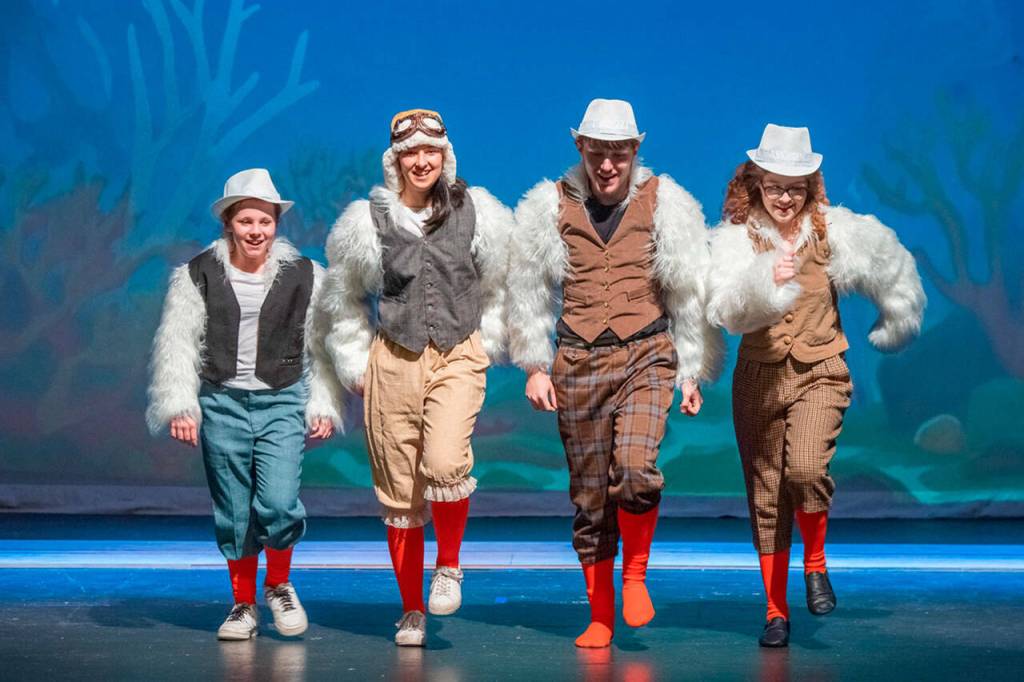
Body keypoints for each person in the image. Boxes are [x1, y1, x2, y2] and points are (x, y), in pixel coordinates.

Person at [508, 99, 722, 648]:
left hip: (645, 353)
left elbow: (687, 291)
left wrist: (691, 370)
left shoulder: (665, 203)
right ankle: (600, 616)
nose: (607, 165)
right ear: (580, 147)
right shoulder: (549, 205)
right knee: (590, 497)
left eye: (619, 154)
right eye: (598, 153)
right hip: (578, 360)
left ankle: (635, 576)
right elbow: (528, 290)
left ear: (635, 151)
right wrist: (534, 365)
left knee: (634, 468)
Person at [706, 124, 926, 647]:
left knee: (805, 469)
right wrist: (764, 281)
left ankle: (816, 563)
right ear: (756, 183)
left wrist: (895, 319)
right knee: (766, 494)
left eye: (796, 188)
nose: (785, 198)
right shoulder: (735, 239)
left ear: (811, 187)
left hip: (820, 369)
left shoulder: (833, 230)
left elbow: (892, 267)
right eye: (775, 187)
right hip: (759, 376)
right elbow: (724, 310)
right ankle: (775, 612)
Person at [317, 109, 512, 647]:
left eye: (432, 151)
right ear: (395, 161)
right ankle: (411, 609)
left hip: (457, 352)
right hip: (394, 358)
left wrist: (487, 339)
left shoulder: (477, 210)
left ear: (446, 156)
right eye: (411, 153)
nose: (422, 161)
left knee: (446, 462)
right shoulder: (366, 222)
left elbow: (499, 282)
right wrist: (354, 360)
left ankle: (448, 564)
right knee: (401, 495)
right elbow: (343, 297)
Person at [146, 168, 343, 640]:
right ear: (229, 224)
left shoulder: (306, 275)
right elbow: (177, 341)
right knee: (234, 510)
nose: (256, 231)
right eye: (246, 221)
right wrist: (180, 403)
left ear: (276, 224)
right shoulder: (197, 274)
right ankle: (243, 605)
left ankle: (279, 585)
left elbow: (323, 344)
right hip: (222, 402)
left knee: (278, 502)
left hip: (281, 400)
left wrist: (323, 401)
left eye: (265, 221)